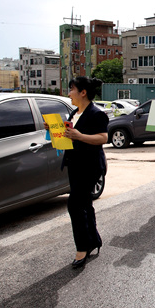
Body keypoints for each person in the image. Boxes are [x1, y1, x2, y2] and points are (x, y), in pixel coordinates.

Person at [61, 77, 108, 268]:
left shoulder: (97, 114)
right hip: (74, 164)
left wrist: (79, 136)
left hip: (90, 166)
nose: (69, 92)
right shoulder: (74, 113)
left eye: (72, 89)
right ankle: (94, 240)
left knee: (74, 205)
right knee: (85, 205)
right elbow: (70, 137)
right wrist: (55, 131)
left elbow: (103, 137)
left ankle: (82, 247)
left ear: (83, 92)